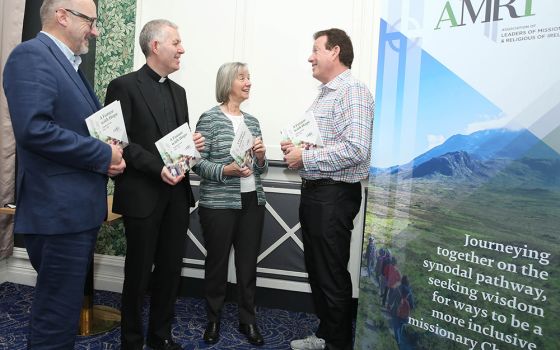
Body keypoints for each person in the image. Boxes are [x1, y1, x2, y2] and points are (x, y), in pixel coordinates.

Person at [2, 0, 126, 348]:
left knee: (63, 313)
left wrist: (112, 152)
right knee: (55, 319)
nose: (96, 30)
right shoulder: (31, 56)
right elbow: (35, 130)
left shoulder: (68, 65)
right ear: (62, 16)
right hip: (58, 214)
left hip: (73, 212)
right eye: (90, 21)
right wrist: (103, 154)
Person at [104, 19, 204, 350]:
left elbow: (176, 145)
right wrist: (157, 168)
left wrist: (191, 146)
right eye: (176, 42)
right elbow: (117, 140)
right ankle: (131, 342)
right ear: (156, 46)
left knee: (170, 272)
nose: (182, 49)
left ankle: (160, 336)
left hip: (176, 196)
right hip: (142, 194)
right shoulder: (123, 85)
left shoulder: (180, 92)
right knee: (138, 275)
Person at [283, 28, 374, 350]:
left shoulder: (353, 91)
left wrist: (304, 155)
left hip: (334, 195)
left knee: (331, 273)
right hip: (317, 192)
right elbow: (330, 142)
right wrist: (297, 148)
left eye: (315, 50)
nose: (310, 56)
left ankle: (337, 344)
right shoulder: (325, 93)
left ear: (334, 51)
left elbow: (357, 149)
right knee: (320, 270)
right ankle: (327, 336)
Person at [193, 62, 267, 346]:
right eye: (242, 78)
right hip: (219, 203)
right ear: (228, 83)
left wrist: (259, 158)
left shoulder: (253, 122)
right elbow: (197, 164)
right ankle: (213, 320)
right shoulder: (209, 119)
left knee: (248, 265)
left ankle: (248, 320)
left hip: (252, 201)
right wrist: (226, 171)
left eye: (249, 77)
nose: (248, 82)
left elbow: (259, 170)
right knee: (217, 263)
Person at [390, 275, 414, 347]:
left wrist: (389, 304)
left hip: (396, 310)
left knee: (396, 327)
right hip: (405, 314)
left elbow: (392, 297)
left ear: (402, 281)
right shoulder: (409, 291)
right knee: (400, 326)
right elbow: (412, 305)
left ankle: (398, 343)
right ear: (408, 282)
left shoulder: (398, 288)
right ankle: (400, 341)